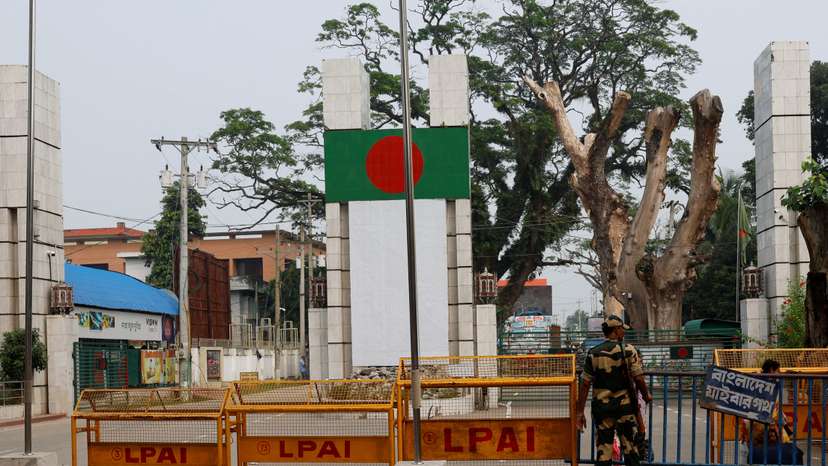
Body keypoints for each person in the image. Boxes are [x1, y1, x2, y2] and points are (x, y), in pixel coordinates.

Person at [577, 315, 652, 466]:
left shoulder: (593, 353)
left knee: (604, 449)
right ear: (616, 330)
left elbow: (585, 384)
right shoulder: (629, 351)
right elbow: (638, 378)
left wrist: (580, 412)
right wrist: (646, 395)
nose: (623, 333)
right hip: (625, 408)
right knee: (630, 448)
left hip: (602, 409)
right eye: (622, 330)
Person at [744, 359, 804, 465]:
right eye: (778, 370)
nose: (779, 373)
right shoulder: (764, 385)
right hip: (763, 429)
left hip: (766, 428)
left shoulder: (768, 384)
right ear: (772, 370)